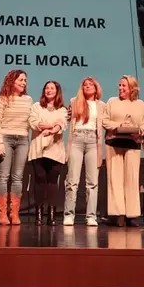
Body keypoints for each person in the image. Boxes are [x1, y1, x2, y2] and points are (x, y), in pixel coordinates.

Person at [102, 75, 144, 227]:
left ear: (132, 88)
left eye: (124, 86)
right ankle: (118, 214)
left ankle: (131, 214)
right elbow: (105, 120)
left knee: (131, 179)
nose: (120, 88)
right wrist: (118, 126)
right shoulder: (112, 101)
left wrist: (139, 131)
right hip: (114, 142)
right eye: (119, 85)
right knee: (115, 179)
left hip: (132, 143)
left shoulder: (140, 104)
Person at [63, 77, 106, 226]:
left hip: (93, 141)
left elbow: (106, 122)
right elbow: (66, 117)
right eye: (85, 85)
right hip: (77, 138)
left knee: (92, 182)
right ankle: (69, 215)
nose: (87, 86)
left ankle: (91, 216)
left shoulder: (101, 105)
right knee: (72, 181)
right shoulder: (74, 101)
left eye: (90, 84)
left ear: (96, 87)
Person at [0, 70, 33, 225]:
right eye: (20, 80)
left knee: (18, 177)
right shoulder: (3, 99)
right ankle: (2, 214)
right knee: (3, 176)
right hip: (6, 138)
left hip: (23, 139)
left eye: (25, 80)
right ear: (12, 81)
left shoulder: (28, 100)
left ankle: (14, 213)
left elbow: (31, 120)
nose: (23, 83)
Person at [28, 81, 68, 226]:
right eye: (47, 88)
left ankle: (51, 216)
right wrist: (49, 125)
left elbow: (61, 124)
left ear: (57, 92)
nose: (49, 90)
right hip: (38, 149)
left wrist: (52, 130)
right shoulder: (36, 106)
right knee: (39, 180)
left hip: (55, 149)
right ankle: (38, 215)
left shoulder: (62, 109)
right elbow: (33, 122)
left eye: (52, 88)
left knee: (52, 181)